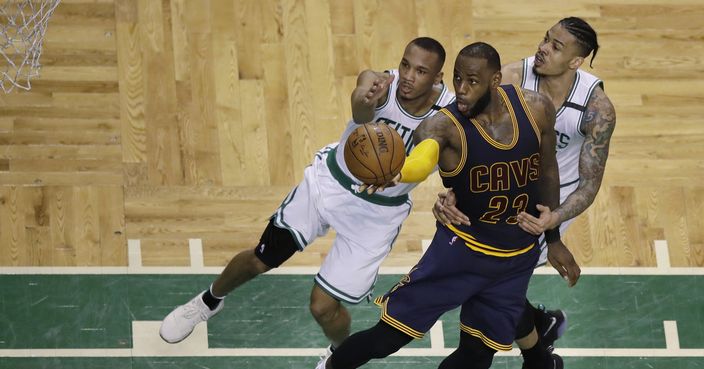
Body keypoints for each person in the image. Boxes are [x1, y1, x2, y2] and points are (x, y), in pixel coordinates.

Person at [159, 37, 456, 356]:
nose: (408, 76)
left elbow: (446, 158)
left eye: (421, 71)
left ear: (438, 77)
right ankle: (208, 300)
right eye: (405, 65)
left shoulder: (448, 116)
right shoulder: (379, 84)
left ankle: (340, 357)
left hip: (377, 216)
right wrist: (366, 99)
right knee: (260, 260)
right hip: (329, 185)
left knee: (323, 307)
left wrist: (441, 187)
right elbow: (360, 106)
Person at [316, 41, 577, 369]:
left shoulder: (535, 108)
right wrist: (397, 172)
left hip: (513, 260)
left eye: (472, 81)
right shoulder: (442, 125)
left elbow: (548, 169)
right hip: (460, 254)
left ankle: (541, 359)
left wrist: (553, 238)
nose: (462, 91)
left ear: (495, 80)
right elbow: (421, 161)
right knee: (386, 338)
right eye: (457, 80)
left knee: (477, 354)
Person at [434, 17, 616, 369]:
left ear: (576, 62)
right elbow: (466, 126)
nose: (542, 49)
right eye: (546, 39)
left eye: (556, 46)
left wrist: (555, 225)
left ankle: (533, 352)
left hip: (542, 210)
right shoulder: (514, 77)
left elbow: (590, 183)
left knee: (486, 300)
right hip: (494, 193)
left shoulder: (597, 111)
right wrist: (457, 189)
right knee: (491, 284)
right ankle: (540, 343)